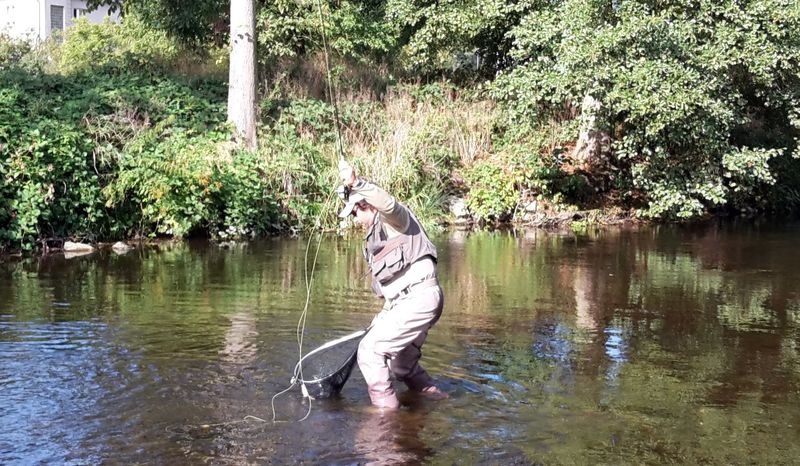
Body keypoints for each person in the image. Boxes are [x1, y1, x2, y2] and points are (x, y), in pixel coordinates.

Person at [338, 160, 447, 409]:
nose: (355, 219)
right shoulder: (374, 240)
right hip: (409, 303)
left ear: (367, 206)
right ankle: (437, 399)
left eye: (355, 213)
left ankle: (385, 420)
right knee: (400, 366)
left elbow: (388, 203)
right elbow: (394, 293)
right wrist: (381, 319)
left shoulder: (395, 220)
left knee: (370, 352)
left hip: (420, 299)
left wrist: (356, 183)